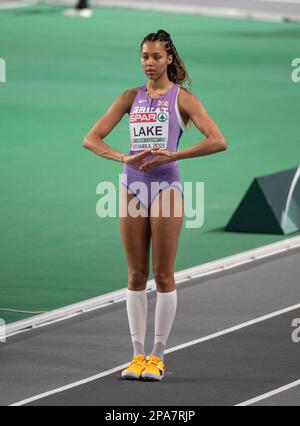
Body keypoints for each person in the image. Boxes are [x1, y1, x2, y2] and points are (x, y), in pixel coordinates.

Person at [83, 29, 227, 381]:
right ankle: (136, 356)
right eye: (145, 57)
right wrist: (123, 158)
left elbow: (218, 141)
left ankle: (158, 356)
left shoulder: (183, 99)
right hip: (132, 187)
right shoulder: (129, 97)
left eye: (156, 57)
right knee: (135, 275)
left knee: (163, 274)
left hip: (166, 188)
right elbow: (91, 139)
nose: (149, 63)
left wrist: (175, 153)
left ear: (170, 59)